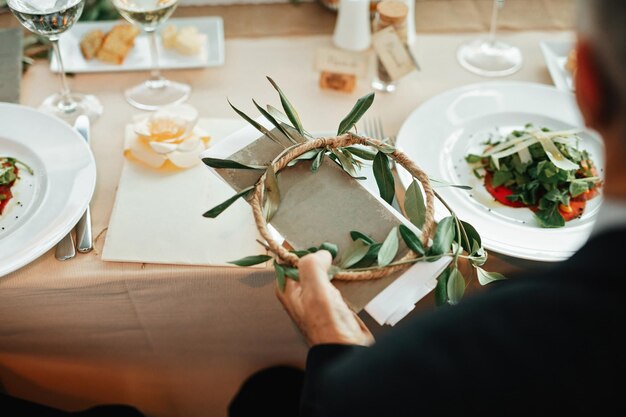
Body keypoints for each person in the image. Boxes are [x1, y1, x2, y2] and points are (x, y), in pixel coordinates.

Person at [267, 1, 626, 416]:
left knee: (265, 393)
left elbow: (351, 400)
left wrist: (333, 345)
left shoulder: (491, 342)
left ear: (584, 82)